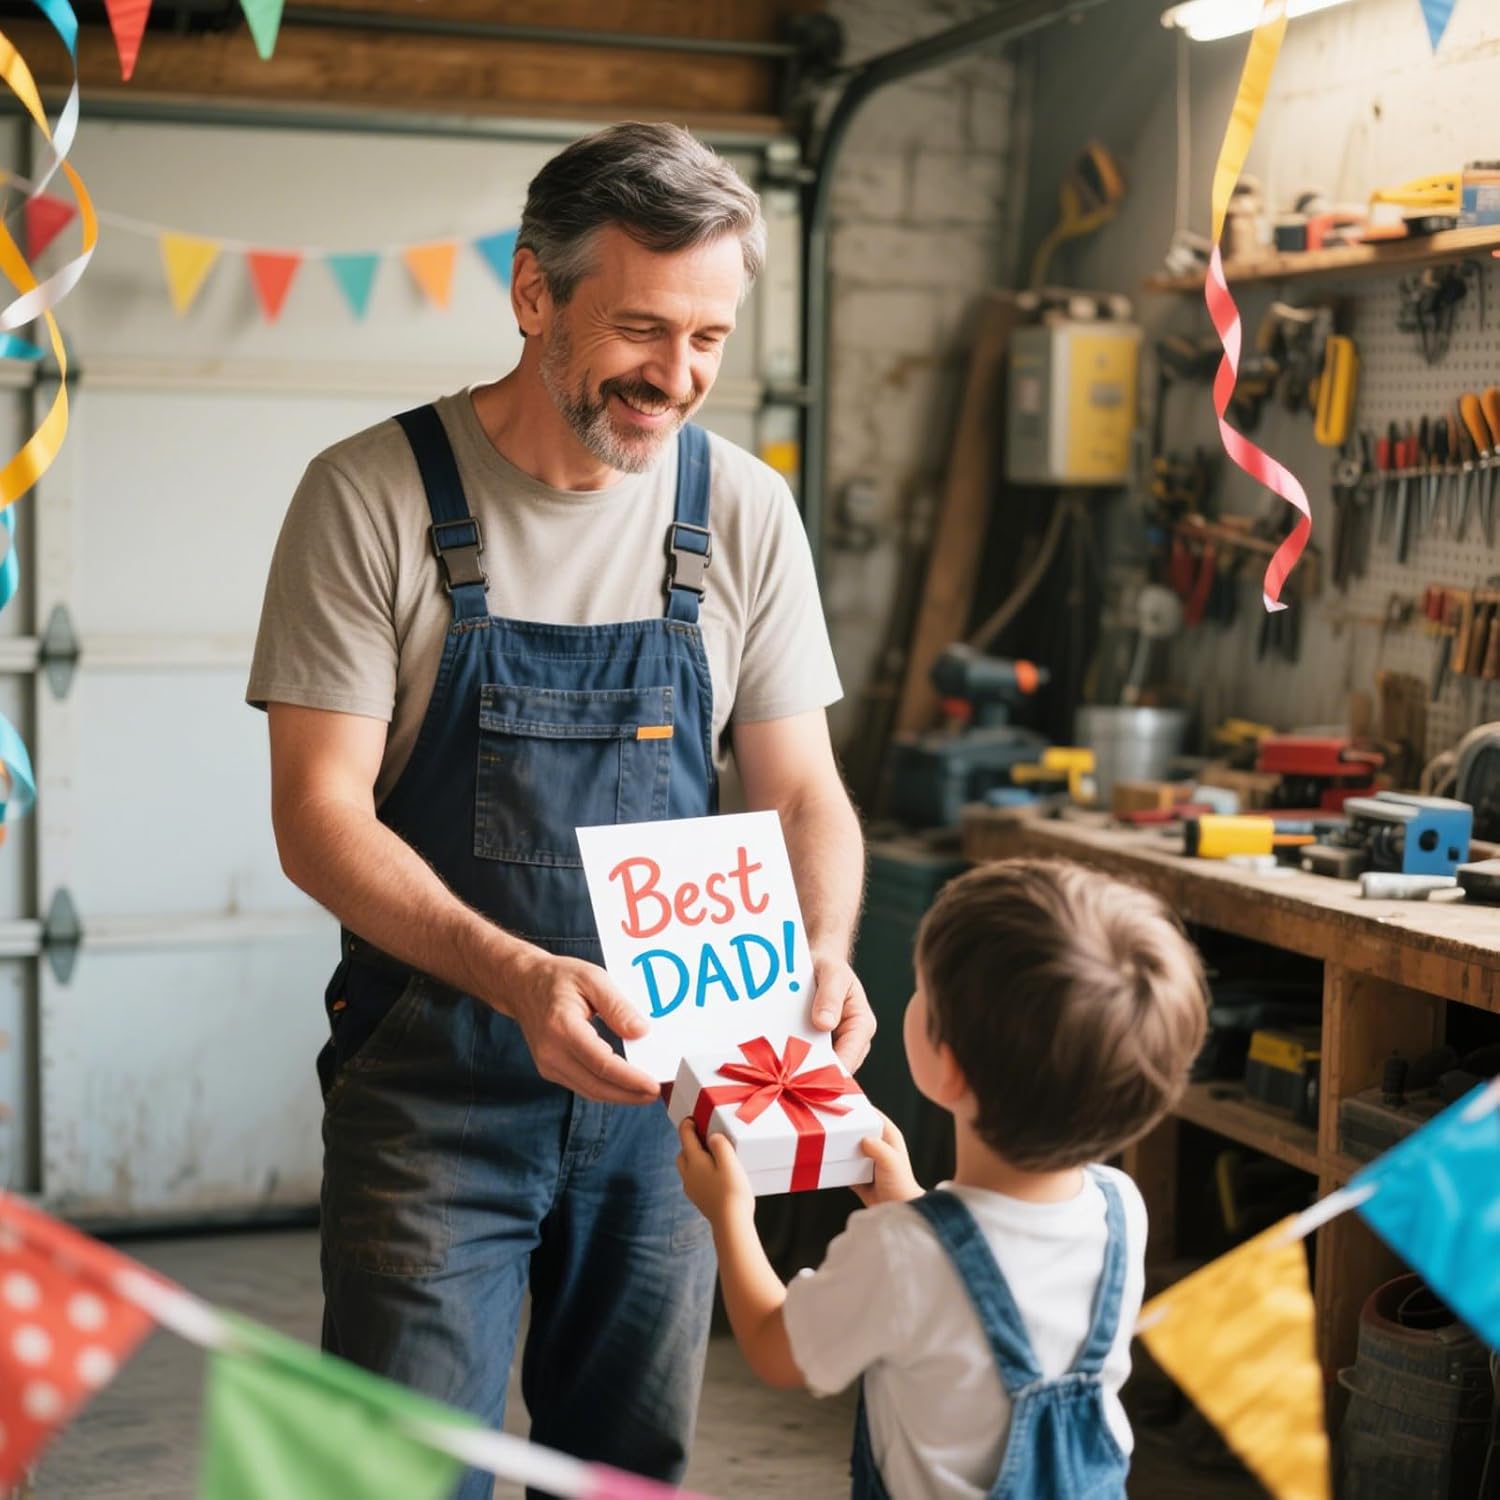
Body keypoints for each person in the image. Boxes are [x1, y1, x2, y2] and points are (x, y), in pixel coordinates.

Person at [247, 122, 874, 1497]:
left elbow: (802, 788)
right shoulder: (372, 500)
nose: (678, 378)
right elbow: (318, 816)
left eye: (710, 338)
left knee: (625, 1471)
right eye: (643, 330)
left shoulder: (744, 515)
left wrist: (822, 948)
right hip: (434, 1102)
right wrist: (522, 977)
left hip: (668, 1113)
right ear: (534, 294)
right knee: (400, 1475)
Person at [677, 858, 1208, 1500]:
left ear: (946, 1069)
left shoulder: (902, 1252)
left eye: (922, 992)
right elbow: (988, 1285)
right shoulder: (1119, 1207)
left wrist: (730, 1215)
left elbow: (771, 1347)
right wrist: (911, 1203)